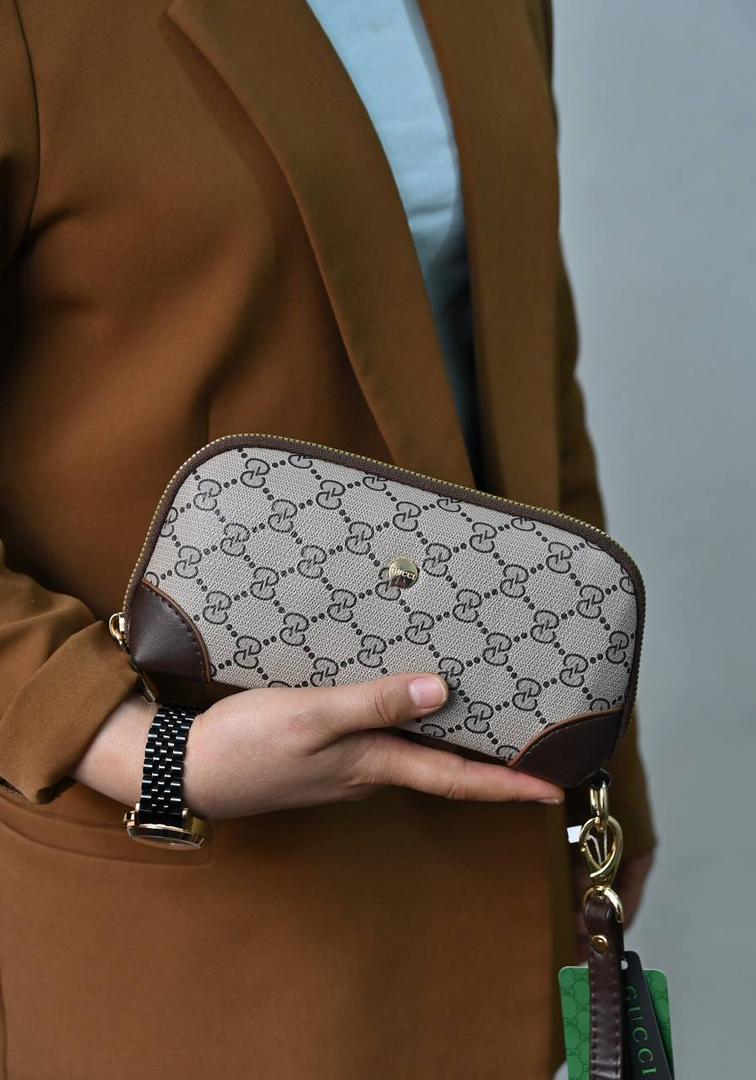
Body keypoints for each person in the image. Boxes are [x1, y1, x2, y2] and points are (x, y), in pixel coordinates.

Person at [0, 1, 656, 1076]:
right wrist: (150, 754)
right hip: (198, 890)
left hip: (506, 846)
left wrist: (604, 748)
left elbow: (527, 371)